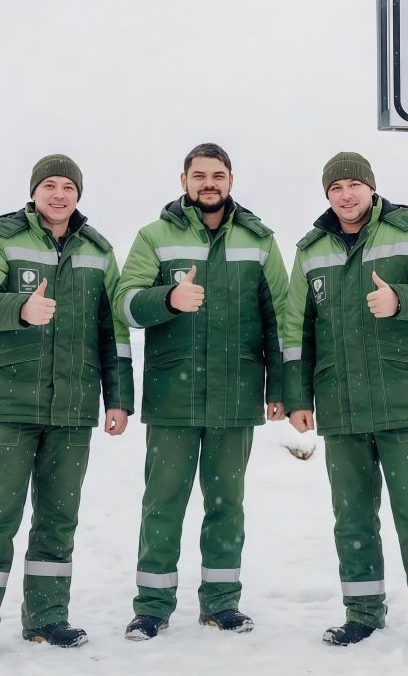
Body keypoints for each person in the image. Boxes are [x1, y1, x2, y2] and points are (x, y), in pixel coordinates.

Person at [0, 154, 134, 663]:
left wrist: (118, 399)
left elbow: (111, 331)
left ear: (78, 195)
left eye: (67, 187)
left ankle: (47, 618)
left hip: (74, 408)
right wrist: (20, 309)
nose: (58, 194)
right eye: (48, 185)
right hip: (11, 403)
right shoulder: (3, 238)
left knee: (58, 519)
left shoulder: (99, 252)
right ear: (34, 192)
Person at [282, 151, 408, 663]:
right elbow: (296, 331)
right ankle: (362, 614)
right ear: (327, 195)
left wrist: (402, 300)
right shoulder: (312, 250)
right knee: (353, 518)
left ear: (371, 188)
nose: (345, 195)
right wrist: (298, 397)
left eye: (353, 186)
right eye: (335, 188)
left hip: (403, 402)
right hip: (339, 405)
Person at [116, 143, 288, 640]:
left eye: (217, 175)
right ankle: (151, 606)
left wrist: (278, 386)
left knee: (226, 503)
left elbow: (281, 317)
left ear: (231, 180)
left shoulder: (259, 241)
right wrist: (167, 298)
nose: (208, 183)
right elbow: (125, 304)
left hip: (237, 394)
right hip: (173, 395)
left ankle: (221, 603)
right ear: (184, 180)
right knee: (163, 502)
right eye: (199, 175)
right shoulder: (155, 237)